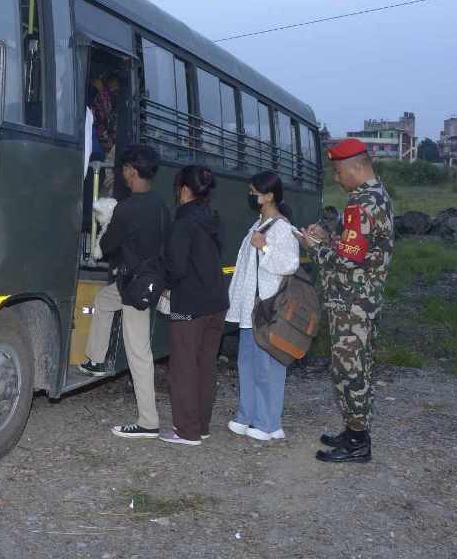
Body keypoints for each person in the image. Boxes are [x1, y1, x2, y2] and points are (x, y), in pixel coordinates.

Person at [299, 138, 394, 464]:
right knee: (359, 368)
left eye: (339, 171)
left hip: (352, 302)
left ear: (356, 167)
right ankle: (355, 432)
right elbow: (358, 249)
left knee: (349, 371)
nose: (337, 178)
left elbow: (347, 262)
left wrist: (314, 247)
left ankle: (357, 444)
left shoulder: (361, 204)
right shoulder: (375, 196)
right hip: (361, 300)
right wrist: (330, 238)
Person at [78, 144, 170, 439]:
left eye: (124, 168)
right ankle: (96, 359)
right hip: (145, 280)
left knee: (138, 351)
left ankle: (148, 421)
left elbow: (105, 248)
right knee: (103, 301)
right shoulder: (160, 204)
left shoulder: (128, 208)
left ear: (132, 170)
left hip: (134, 288)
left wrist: (106, 224)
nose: (122, 173)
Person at [226, 171, 300, 441]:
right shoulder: (260, 224)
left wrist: (266, 247)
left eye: (255, 191)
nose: (251, 195)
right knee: (247, 363)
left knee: (267, 366)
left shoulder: (281, 228)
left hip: (267, 309)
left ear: (269, 195)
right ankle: (248, 415)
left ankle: (268, 422)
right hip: (250, 309)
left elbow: (290, 263)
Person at [161, 165, 227, 446]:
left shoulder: (182, 223)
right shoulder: (213, 219)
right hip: (217, 302)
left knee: (183, 365)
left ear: (184, 190)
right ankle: (201, 425)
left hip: (189, 303)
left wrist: (162, 279)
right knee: (205, 365)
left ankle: (186, 431)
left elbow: (176, 267)